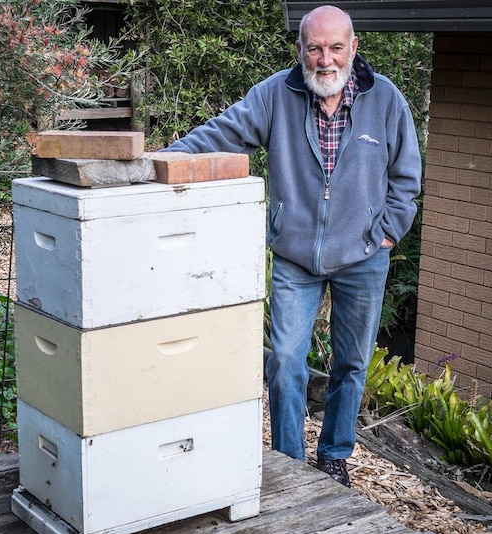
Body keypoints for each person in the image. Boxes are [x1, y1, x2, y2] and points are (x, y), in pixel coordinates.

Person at [162, 5, 421, 487]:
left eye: (336, 48)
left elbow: (406, 177)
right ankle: (289, 461)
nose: (326, 60)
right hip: (295, 257)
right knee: (284, 361)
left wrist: (386, 231)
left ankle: (335, 455)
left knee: (351, 364)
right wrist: (163, 158)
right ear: (300, 49)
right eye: (315, 48)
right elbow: (222, 132)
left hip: (364, 257)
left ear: (353, 48)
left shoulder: (386, 100)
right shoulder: (275, 95)